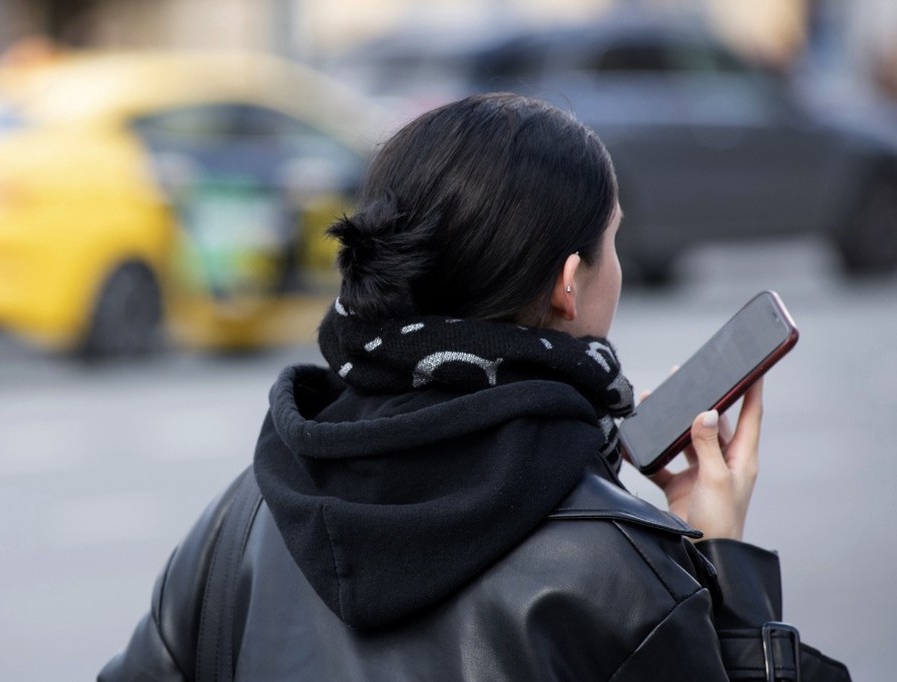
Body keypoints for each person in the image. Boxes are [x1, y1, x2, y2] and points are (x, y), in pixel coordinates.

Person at [100, 93, 850, 681]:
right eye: (611, 240)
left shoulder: (240, 521)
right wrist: (721, 563)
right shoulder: (625, 575)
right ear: (568, 283)